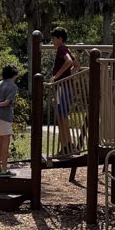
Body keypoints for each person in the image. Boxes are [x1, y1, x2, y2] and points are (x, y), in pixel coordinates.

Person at [50, 26, 79, 155]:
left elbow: (68, 62)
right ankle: (66, 145)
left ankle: (68, 145)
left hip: (62, 87)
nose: (52, 40)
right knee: (61, 116)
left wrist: (57, 77)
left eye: (53, 38)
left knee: (62, 116)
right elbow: (76, 65)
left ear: (60, 39)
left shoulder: (62, 48)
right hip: (63, 86)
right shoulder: (65, 49)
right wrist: (68, 75)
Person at [0, 64, 19, 176]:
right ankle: (4, 169)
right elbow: (7, 102)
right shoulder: (13, 86)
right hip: (5, 116)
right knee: (5, 142)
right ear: (14, 74)